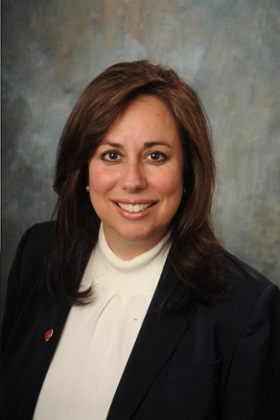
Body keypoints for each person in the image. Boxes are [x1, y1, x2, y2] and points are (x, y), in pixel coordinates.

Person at [1, 60, 280, 420]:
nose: (132, 181)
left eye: (155, 156)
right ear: (84, 169)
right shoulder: (38, 253)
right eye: (111, 155)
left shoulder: (247, 309)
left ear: (188, 171)